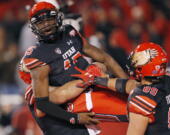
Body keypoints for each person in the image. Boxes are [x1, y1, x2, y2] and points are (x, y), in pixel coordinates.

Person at [19, 1, 127, 135]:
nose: (46, 25)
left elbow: (104, 58)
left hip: (87, 91)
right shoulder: (38, 57)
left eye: (49, 19)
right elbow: (43, 104)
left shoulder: (69, 32)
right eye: (40, 22)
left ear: (58, 17)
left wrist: (125, 82)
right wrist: (74, 118)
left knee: (131, 105)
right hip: (66, 114)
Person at [73, 42, 170, 135]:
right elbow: (132, 85)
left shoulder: (142, 99)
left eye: (138, 60)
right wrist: (98, 80)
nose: (134, 62)